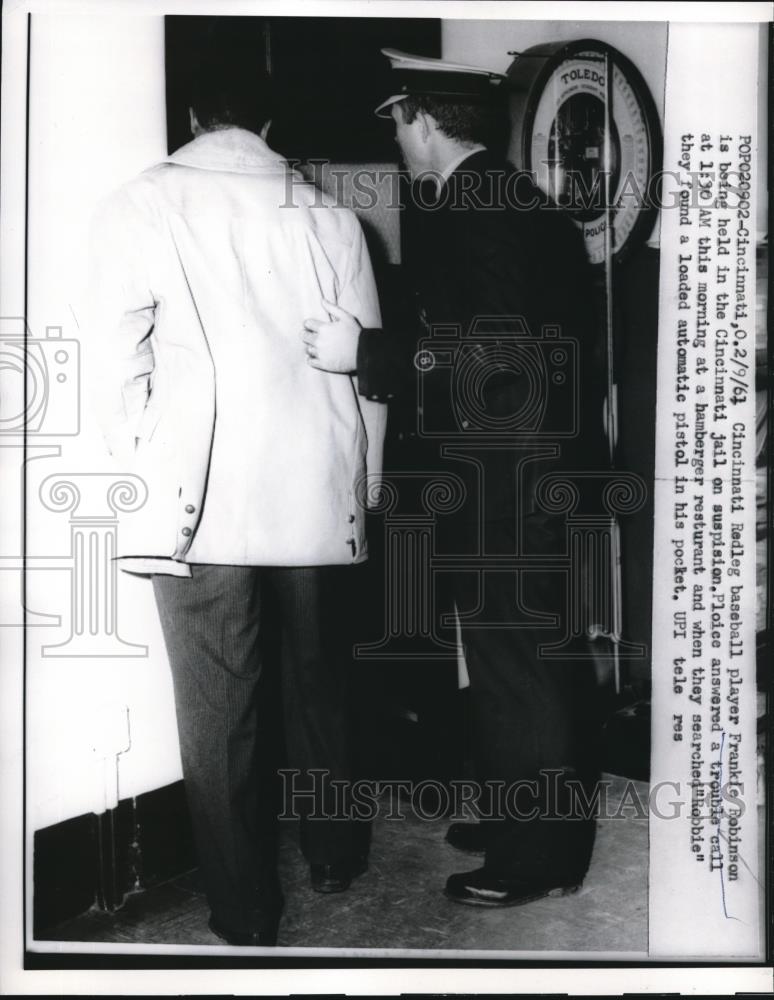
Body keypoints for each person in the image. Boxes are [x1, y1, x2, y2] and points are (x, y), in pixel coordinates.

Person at [89, 58, 386, 945]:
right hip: (316, 487)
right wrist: (365, 489)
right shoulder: (332, 215)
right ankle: (336, 852)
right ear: (268, 126)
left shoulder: (141, 201)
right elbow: (371, 375)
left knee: (219, 712)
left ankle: (246, 913)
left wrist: (142, 451)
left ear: (191, 115)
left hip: (201, 498)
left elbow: (114, 358)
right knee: (321, 683)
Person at [302, 49, 607, 909]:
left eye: (395, 120)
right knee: (518, 655)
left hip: (512, 479)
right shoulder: (508, 199)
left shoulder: (480, 206)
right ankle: (525, 815)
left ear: (419, 115)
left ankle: (535, 858)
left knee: (519, 662)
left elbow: (505, 349)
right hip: (523, 472)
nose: (395, 140)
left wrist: (368, 353)